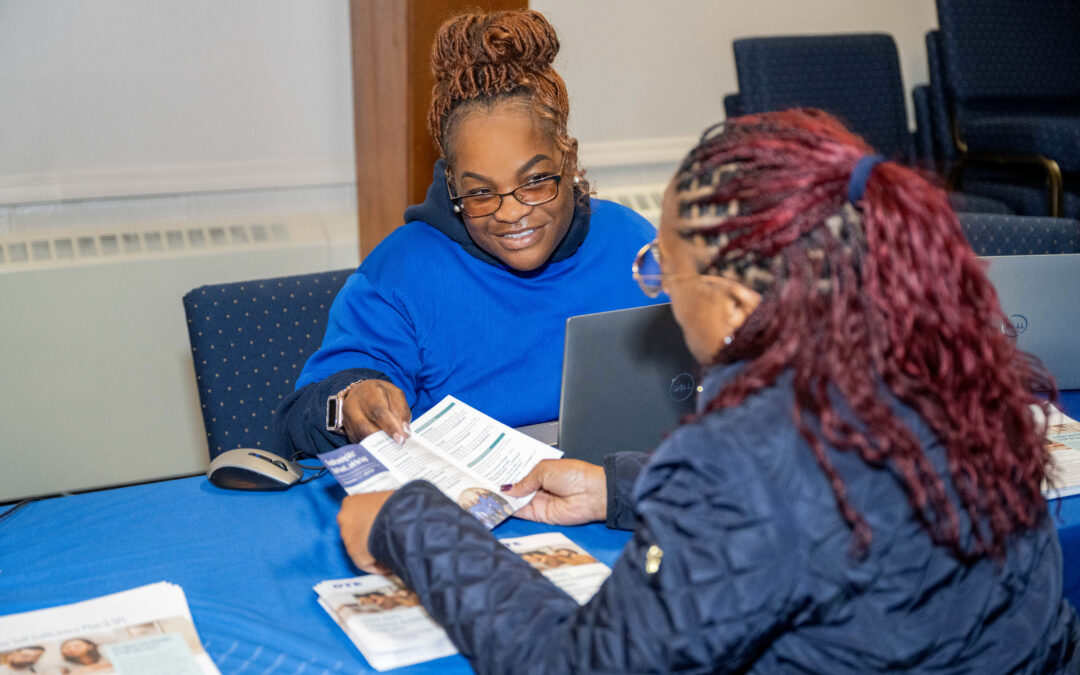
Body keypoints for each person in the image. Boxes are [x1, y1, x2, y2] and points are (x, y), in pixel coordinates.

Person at [336, 109, 1079, 672]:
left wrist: (412, 523)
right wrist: (619, 487)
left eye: (662, 266)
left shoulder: (749, 450)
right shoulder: (951, 365)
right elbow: (808, 525)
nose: (653, 282)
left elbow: (580, 662)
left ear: (728, 304)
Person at [275, 9, 660, 457]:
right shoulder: (401, 274)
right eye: (480, 192)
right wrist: (349, 399)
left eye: (535, 181)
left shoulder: (631, 243)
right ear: (452, 184)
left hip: (614, 496)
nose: (512, 212)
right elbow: (297, 422)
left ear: (568, 160)